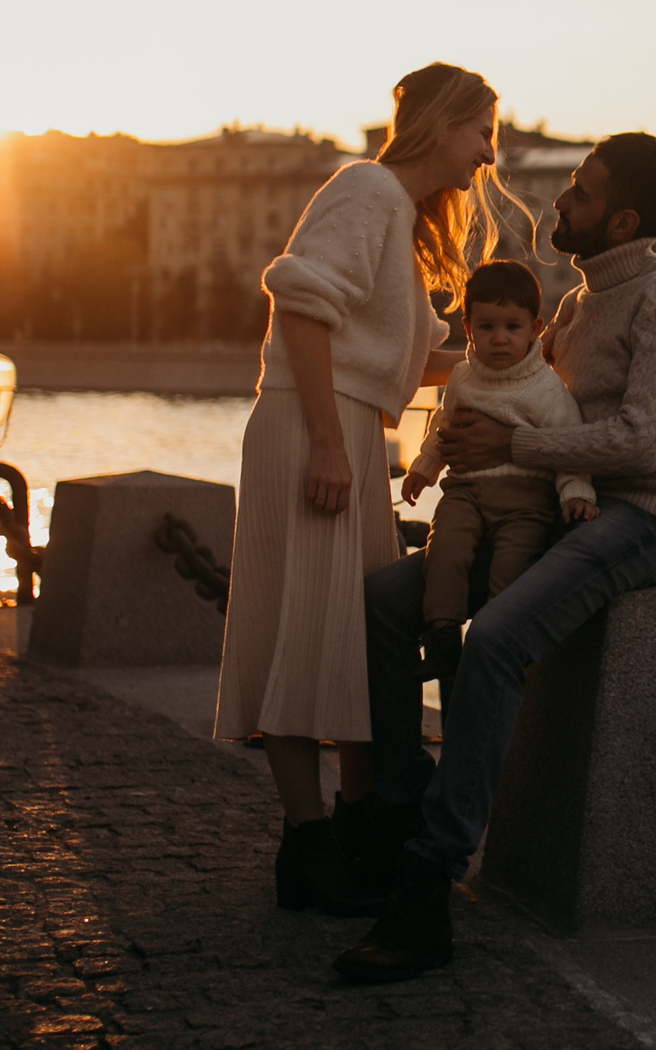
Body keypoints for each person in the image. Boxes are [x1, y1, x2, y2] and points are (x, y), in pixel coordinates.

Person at [336, 131, 656, 983]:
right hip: (562, 505)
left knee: (499, 636)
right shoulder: (578, 305)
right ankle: (400, 815)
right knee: (384, 603)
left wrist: (509, 444)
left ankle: (429, 882)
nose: (559, 201)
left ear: (621, 219)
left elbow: (644, 441)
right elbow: (526, 400)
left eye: (579, 191)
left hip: (651, 515)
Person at [211, 62, 505, 916]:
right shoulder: (366, 189)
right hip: (316, 428)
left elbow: (399, 363)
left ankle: (348, 828)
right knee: (306, 629)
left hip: (342, 426)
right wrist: (331, 447)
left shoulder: (395, 212)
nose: (489, 154)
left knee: (352, 634)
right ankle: (307, 846)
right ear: (444, 122)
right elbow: (301, 309)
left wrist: (524, 356)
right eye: (483, 132)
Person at [401, 259, 597, 680]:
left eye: (512, 327)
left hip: (524, 500)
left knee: (511, 570)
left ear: (535, 328)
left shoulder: (546, 389)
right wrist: (424, 467)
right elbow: (444, 425)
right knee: (443, 552)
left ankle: (494, 647)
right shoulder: (462, 377)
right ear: (468, 328)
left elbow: (568, 445)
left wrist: (576, 492)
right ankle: (443, 638)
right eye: (486, 327)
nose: (500, 338)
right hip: (464, 492)